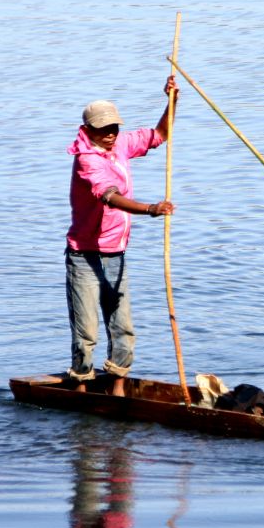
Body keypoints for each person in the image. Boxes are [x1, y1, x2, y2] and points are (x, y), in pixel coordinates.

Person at [64, 76, 179, 396]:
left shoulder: (121, 145)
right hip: (84, 254)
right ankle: (81, 387)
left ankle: (117, 387)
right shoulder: (87, 159)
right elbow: (108, 196)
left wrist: (172, 101)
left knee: (122, 325)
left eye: (114, 126)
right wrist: (150, 209)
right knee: (86, 330)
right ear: (88, 131)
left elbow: (160, 135)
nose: (111, 133)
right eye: (104, 129)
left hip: (116, 251)